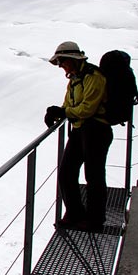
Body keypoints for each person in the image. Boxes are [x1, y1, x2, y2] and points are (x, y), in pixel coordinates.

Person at [44, 41, 113, 231]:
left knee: (94, 175)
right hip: (81, 130)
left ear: (72, 60)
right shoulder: (75, 79)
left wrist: (64, 112)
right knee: (66, 172)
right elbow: (69, 105)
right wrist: (59, 111)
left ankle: (95, 220)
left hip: (97, 130)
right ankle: (75, 213)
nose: (61, 66)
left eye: (63, 62)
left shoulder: (94, 77)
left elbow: (88, 108)